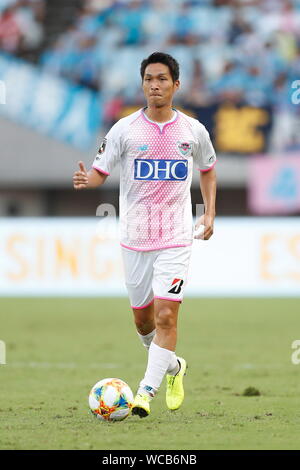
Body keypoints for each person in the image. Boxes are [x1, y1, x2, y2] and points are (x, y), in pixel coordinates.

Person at [73, 52, 217, 418]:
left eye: (162, 79)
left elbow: (208, 169)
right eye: (149, 79)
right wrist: (85, 180)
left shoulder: (193, 131)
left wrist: (210, 211)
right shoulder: (124, 129)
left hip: (175, 237)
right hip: (134, 238)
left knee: (167, 316)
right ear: (142, 84)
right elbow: (99, 172)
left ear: (176, 85)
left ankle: (144, 393)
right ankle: (173, 367)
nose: (155, 85)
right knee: (144, 323)